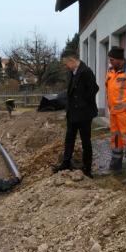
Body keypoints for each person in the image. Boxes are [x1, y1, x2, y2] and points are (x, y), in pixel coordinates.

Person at [54, 50, 99, 178]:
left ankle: (87, 169)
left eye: (66, 64)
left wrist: (82, 103)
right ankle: (66, 163)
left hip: (84, 114)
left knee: (86, 141)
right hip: (73, 113)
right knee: (69, 139)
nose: (65, 66)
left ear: (72, 61)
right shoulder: (72, 72)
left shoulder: (86, 72)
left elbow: (94, 89)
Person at [105, 46, 126, 172]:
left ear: (120, 59)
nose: (110, 62)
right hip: (114, 114)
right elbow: (109, 89)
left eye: (112, 60)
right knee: (116, 139)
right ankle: (116, 165)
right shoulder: (110, 70)